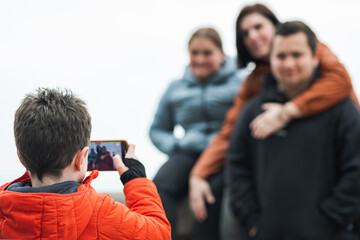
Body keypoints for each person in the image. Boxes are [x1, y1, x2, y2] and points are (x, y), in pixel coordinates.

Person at [189, 3, 359, 228]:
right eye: (245, 33)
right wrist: (199, 174)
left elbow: (339, 80)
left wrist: (289, 110)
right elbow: (230, 133)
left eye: (258, 27)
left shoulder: (315, 51)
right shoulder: (255, 85)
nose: (253, 36)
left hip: (330, 182)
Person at [227, 21, 360, 239]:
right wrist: (253, 221)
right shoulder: (252, 111)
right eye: (281, 56)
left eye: (297, 55)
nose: (289, 64)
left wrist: (329, 220)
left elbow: (356, 172)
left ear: (315, 57)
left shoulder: (343, 111)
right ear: (271, 59)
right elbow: (236, 167)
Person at [0, 88, 171, 239]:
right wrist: (136, 180)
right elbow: (159, 234)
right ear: (81, 159)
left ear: (21, 158)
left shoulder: (4, 212)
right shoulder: (102, 214)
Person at [149, 27, 245, 240]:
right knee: (158, 187)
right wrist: (175, 146)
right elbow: (157, 129)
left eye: (207, 53)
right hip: (188, 151)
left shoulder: (240, 82)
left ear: (221, 54)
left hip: (224, 152)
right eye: (194, 53)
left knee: (211, 192)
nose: (200, 59)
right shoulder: (176, 88)